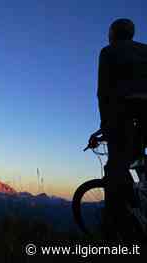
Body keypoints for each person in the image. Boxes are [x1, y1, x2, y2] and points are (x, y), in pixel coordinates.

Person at [89, 18, 147, 240]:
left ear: (113, 33)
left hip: (123, 115)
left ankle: (113, 230)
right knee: (140, 165)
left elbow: (103, 92)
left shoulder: (108, 52)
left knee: (115, 167)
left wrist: (105, 125)